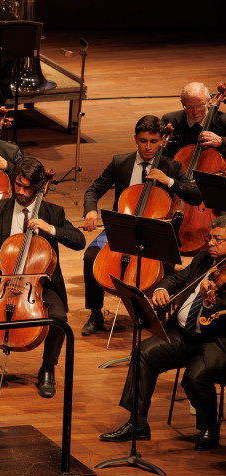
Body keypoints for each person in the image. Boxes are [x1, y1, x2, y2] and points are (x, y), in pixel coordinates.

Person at [99, 216, 226, 451]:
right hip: (184, 334)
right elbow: (179, 277)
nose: (210, 243)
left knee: (194, 378)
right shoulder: (205, 258)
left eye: (217, 239)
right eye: (210, 237)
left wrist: (210, 301)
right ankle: (137, 423)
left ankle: (210, 427)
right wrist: (161, 288)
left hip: (214, 342)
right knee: (143, 353)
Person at [80, 115, 201, 336]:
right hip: (122, 227)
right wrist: (90, 209)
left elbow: (195, 196)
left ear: (161, 140)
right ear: (135, 138)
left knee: (166, 260)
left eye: (154, 141)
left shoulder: (171, 166)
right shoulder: (120, 162)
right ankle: (96, 314)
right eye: (143, 141)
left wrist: (170, 182)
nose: (148, 147)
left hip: (155, 230)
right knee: (91, 257)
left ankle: (160, 313)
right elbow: (93, 190)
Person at [0, 157, 85, 398]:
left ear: (39, 187)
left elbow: (80, 241)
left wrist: (50, 229)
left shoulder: (53, 212)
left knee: (59, 318)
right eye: (18, 185)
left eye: (27, 188)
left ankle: (47, 368)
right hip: (2, 281)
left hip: (39, 284)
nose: (21, 191)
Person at [162, 81, 226, 158]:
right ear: (182, 103)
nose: (195, 112)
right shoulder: (169, 120)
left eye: (200, 106)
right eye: (189, 107)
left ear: (208, 100)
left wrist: (222, 141)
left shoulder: (224, 120)